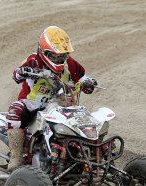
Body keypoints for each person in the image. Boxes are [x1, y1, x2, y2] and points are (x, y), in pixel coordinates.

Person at [6, 26, 96, 171]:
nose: (60, 59)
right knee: (15, 110)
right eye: (55, 56)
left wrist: (89, 83)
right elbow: (15, 75)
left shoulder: (70, 64)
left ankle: (87, 157)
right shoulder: (34, 60)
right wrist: (23, 72)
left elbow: (85, 79)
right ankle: (16, 157)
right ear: (43, 52)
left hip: (61, 105)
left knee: (87, 121)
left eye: (63, 55)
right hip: (33, 104)